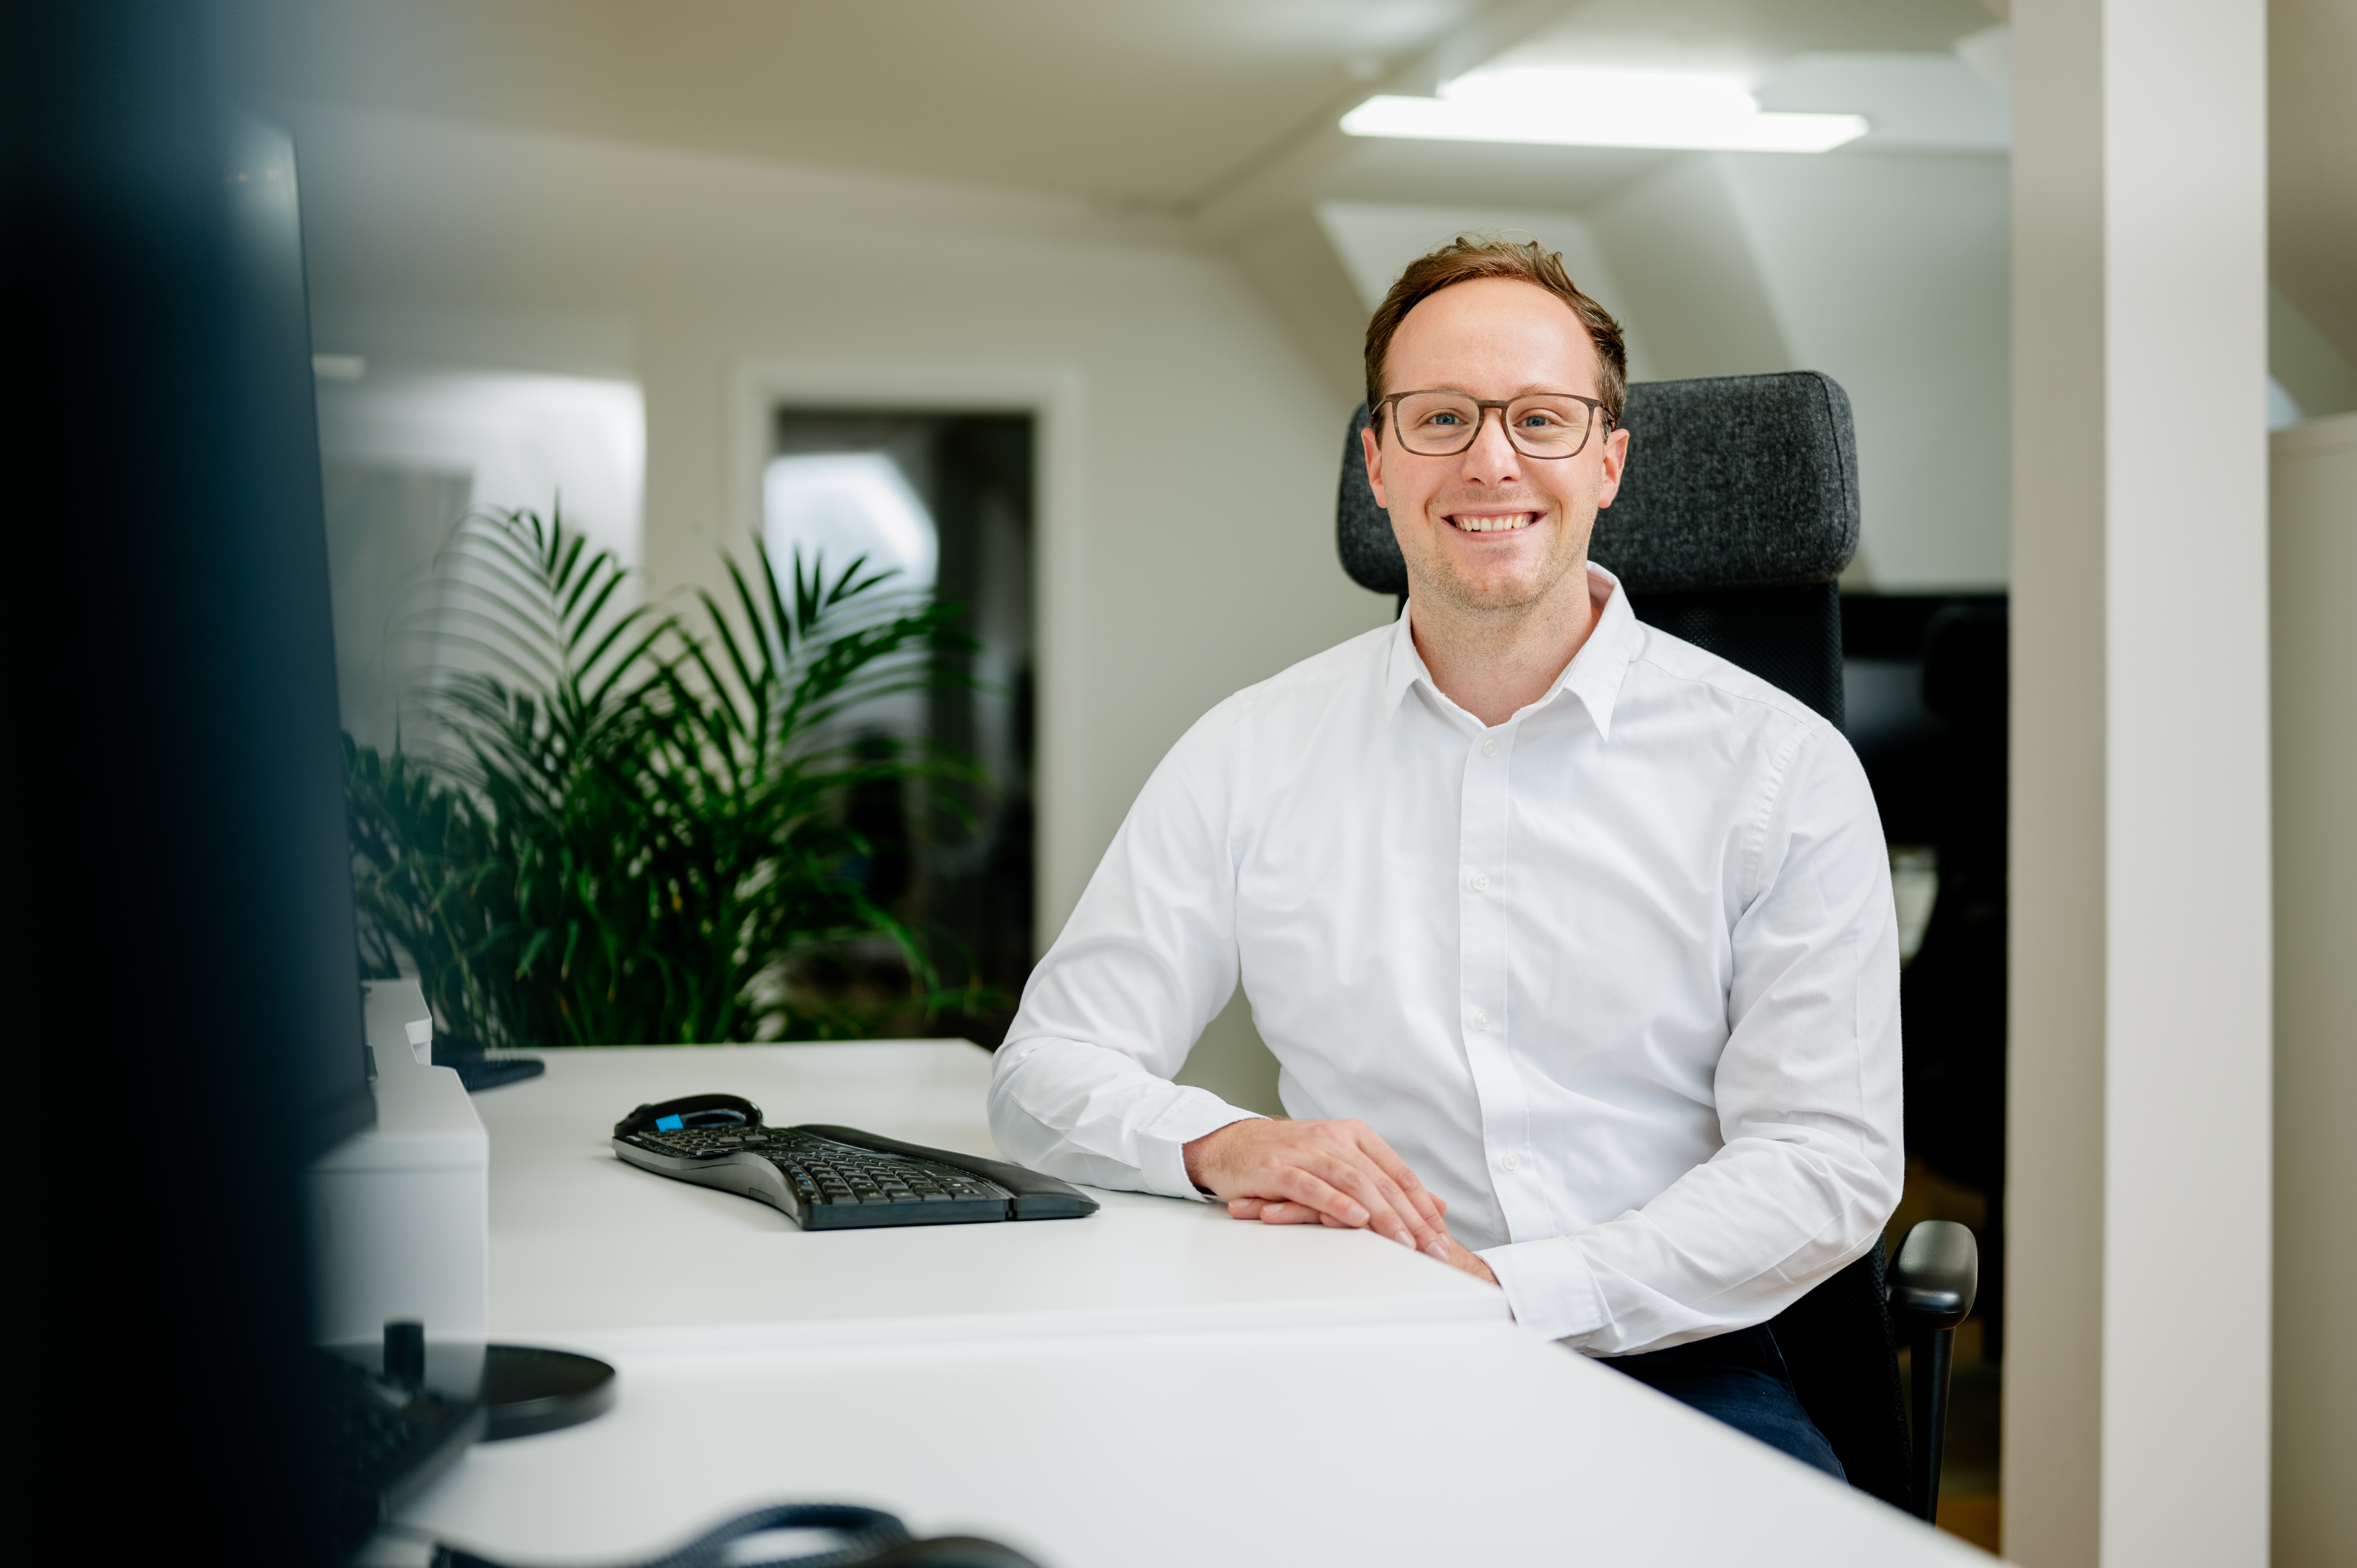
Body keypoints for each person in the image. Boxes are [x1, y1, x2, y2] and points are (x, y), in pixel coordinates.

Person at [987, 235, 1901, 1476]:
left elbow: (1825, 1162)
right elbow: (1046, 1068)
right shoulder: (1250, 750)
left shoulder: (1782, 770)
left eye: (1541, 419)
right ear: (1378, 462)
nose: (1491, 460)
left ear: (1610, 462)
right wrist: (1221, 1143)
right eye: (1440, 418)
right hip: (1346, 1338)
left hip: (1671, 1355)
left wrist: (1514, 1293)